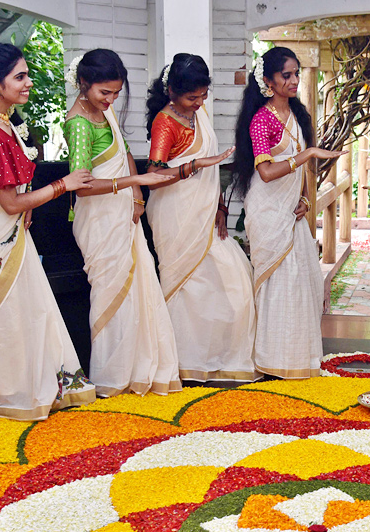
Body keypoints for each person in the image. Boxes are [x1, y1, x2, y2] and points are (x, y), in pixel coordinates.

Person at [0, 42, 96, 419]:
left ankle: (23, 385)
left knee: (21, 309)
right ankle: (6, 393)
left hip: (2, 227)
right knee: (3, 312)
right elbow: (11, 204)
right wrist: (65, 184)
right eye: (21, 76)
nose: (29, 82)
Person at [63, 49, 180, 397]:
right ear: (84, 85)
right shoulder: (79, 124)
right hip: (98, 220)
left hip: (123, 213)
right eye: (104, 93)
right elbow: (81, 187)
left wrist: (137, 199)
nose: (111, 100)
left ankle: (140, 368)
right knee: (110, 294)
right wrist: (134, 184)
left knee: (138, 290)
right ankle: (112, 375)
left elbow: (125, 151)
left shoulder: (104, 112)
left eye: (116, 93)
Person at [146, 53, 259, 382]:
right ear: (172, 92)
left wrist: (220, 207)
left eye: (203, 95)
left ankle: (222, 359)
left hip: (206, 213)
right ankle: (183, 363)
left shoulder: (199, 114)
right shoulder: (164, 123)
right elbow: (154, 174)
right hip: (176, 217)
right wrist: (195, 166)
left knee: (235, 281)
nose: (198, 102)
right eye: (191, 97)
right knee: (191, 289)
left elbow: (211, 172)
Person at [233, 46, 344, 379]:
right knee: (278, 283)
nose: (294, 80)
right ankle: (271, 359)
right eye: (287, 75)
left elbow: (301, 173)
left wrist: (307, 201)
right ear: (268, 80)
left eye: (296, 73)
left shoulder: (298, 115)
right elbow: (266, 172)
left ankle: (298, 357)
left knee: (301, 281)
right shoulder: (260, 120)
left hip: (291, 213)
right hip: (267, 212)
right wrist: (308, 152)